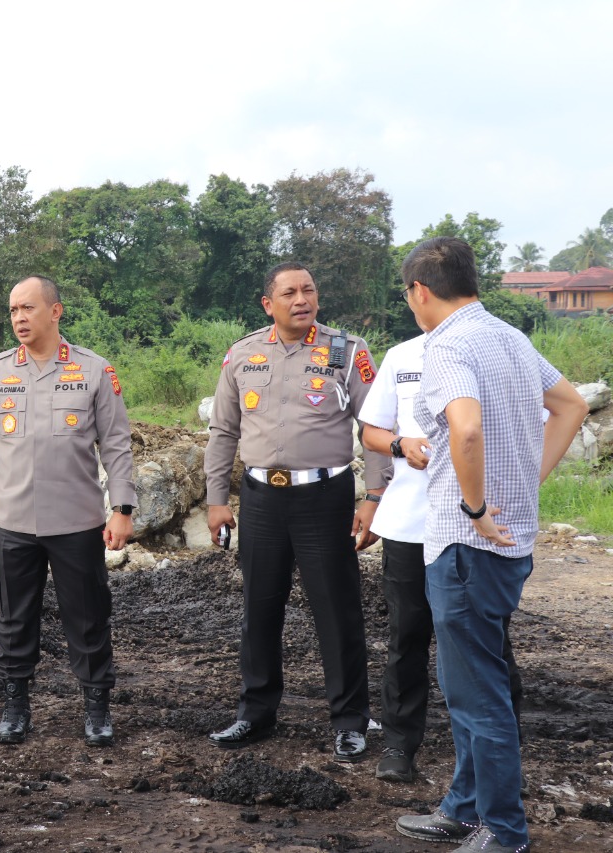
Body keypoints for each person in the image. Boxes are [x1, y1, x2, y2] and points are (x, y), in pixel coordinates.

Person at [394, 238, 586, 853]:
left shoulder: (446, 345)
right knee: (470, 685)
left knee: (479, 695)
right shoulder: (508, 337)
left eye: (407, 294)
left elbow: (466, 425)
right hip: (505, 543)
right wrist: (528, 481)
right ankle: (463, 807)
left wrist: (475, 507)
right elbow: (571, 405)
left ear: (420, 290)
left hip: (466, 545)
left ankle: (503, 831)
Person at [202, 262, 389, 763]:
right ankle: (255, 713)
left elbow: (374, 426)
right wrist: (217, 499)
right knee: (259, 610)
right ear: (269, 303)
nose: (301, 299)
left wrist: (374, 497)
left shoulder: (348, 352)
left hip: (324, 498)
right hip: (261, 498)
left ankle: (350, 720)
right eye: (289, 292)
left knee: (337, 609)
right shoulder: (243, 354)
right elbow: (223, 432)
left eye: (308, 290)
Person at [0, 275, 135, 747]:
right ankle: (16, 706)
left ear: (55, 312)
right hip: (11, 521)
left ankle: (96, 708)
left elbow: (116, 444)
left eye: (28, 308)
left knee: (88, 617)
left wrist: (123, 507)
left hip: (76, 521)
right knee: (13, 619)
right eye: (13, 310)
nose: (18, 318)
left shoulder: (95, 371)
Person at [359, 332, 525, 785]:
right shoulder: (402, 355)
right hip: (412, 523)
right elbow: (370, 430)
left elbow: (546, 414)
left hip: (476, 524)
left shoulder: (500, 347)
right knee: (407, 637)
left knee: (488, 644)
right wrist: (399, 445)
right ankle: (398, 745)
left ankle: (501, 757)